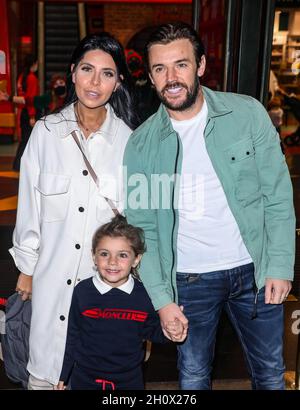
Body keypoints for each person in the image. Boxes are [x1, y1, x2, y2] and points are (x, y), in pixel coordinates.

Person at [123, 22, 295, 390]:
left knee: (269, 375)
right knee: (194, 378)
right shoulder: (141, 145)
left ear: (200, 66)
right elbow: (143, 229)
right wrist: (163, 300)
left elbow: (277, 195)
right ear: (150, 76)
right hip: (189, 280)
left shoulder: (247, 114)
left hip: (255, 271)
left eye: (181, 65)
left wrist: (280, 265)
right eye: (159, 68)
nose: (171, 77)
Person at [9, 32, 140, 390]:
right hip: (49, 290)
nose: (95, 82)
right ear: (72, 72)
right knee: (42, 378)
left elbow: (138, 223)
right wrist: (26, 270)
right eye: (87, 69)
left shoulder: (131, 143)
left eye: (107, 73)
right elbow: (29, 210)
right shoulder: (46, 134)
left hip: (106, 295)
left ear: (118, 83)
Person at [55, 215, 185, 390]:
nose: (112, 262)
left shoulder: (145, 294)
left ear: (136, 259)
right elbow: (72, 335)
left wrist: (170, 331)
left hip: (129, 381)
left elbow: (152, 331)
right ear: (94, 256)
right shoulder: (82, 291)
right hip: (85, 380)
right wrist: (63, 374)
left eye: (122, 255)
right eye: (104, 254)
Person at [13, 54, 40, 171]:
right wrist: (32, 116)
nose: (38, 66)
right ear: (33, 64)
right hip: (29, 112)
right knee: (28, 140)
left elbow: (22, 97)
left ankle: (18, 165)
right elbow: (31, 99)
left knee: (25, 140)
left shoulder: (21, 77)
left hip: (22, 111)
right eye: (37, 63)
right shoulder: (32, 78)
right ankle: (19, 165)